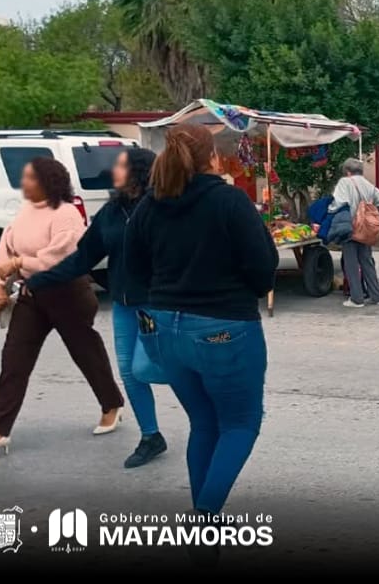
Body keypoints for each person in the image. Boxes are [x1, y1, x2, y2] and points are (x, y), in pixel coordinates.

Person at [125, 124, 278, 525]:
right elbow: (263, 271)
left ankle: (203, 528)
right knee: (241, 424)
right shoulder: (230, 201)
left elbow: (133, 270)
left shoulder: (150, 205)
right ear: (211, 157)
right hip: (224, 327)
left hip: (165, 328)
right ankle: (203, 516)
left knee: (204, 423)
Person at [0, 158, 125, 461]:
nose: (23, 183)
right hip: (31, 294)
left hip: (68, 293)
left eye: (30, 178)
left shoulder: (66, 213)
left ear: (48, 181)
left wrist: (20, 262)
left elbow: (60, 257)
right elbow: (6, 249)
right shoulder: (25, 212)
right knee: (14, 361)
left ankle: (111, 405)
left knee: (86, 353)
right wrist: (0, 283)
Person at [26, 148, 168, 469]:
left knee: (157, 367)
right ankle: (151, 436)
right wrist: (41, 280)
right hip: (124, 306)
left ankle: (209, 418)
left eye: (120, 165)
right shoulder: (112, 212)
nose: (112, 171)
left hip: (158, 303)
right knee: (130, 372)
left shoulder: (162, 208)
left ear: (139, 171)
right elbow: (83, 257)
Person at [329, 158, 379, 309]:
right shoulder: (368, 185)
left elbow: (338, 204)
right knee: (367, 262)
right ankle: (376, 296)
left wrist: (329, 211)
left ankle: (357, 298)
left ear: (347, 172)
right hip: (365, 230)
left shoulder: (344, 182)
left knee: (351, 264)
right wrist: (376, 216)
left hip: (350, 228)